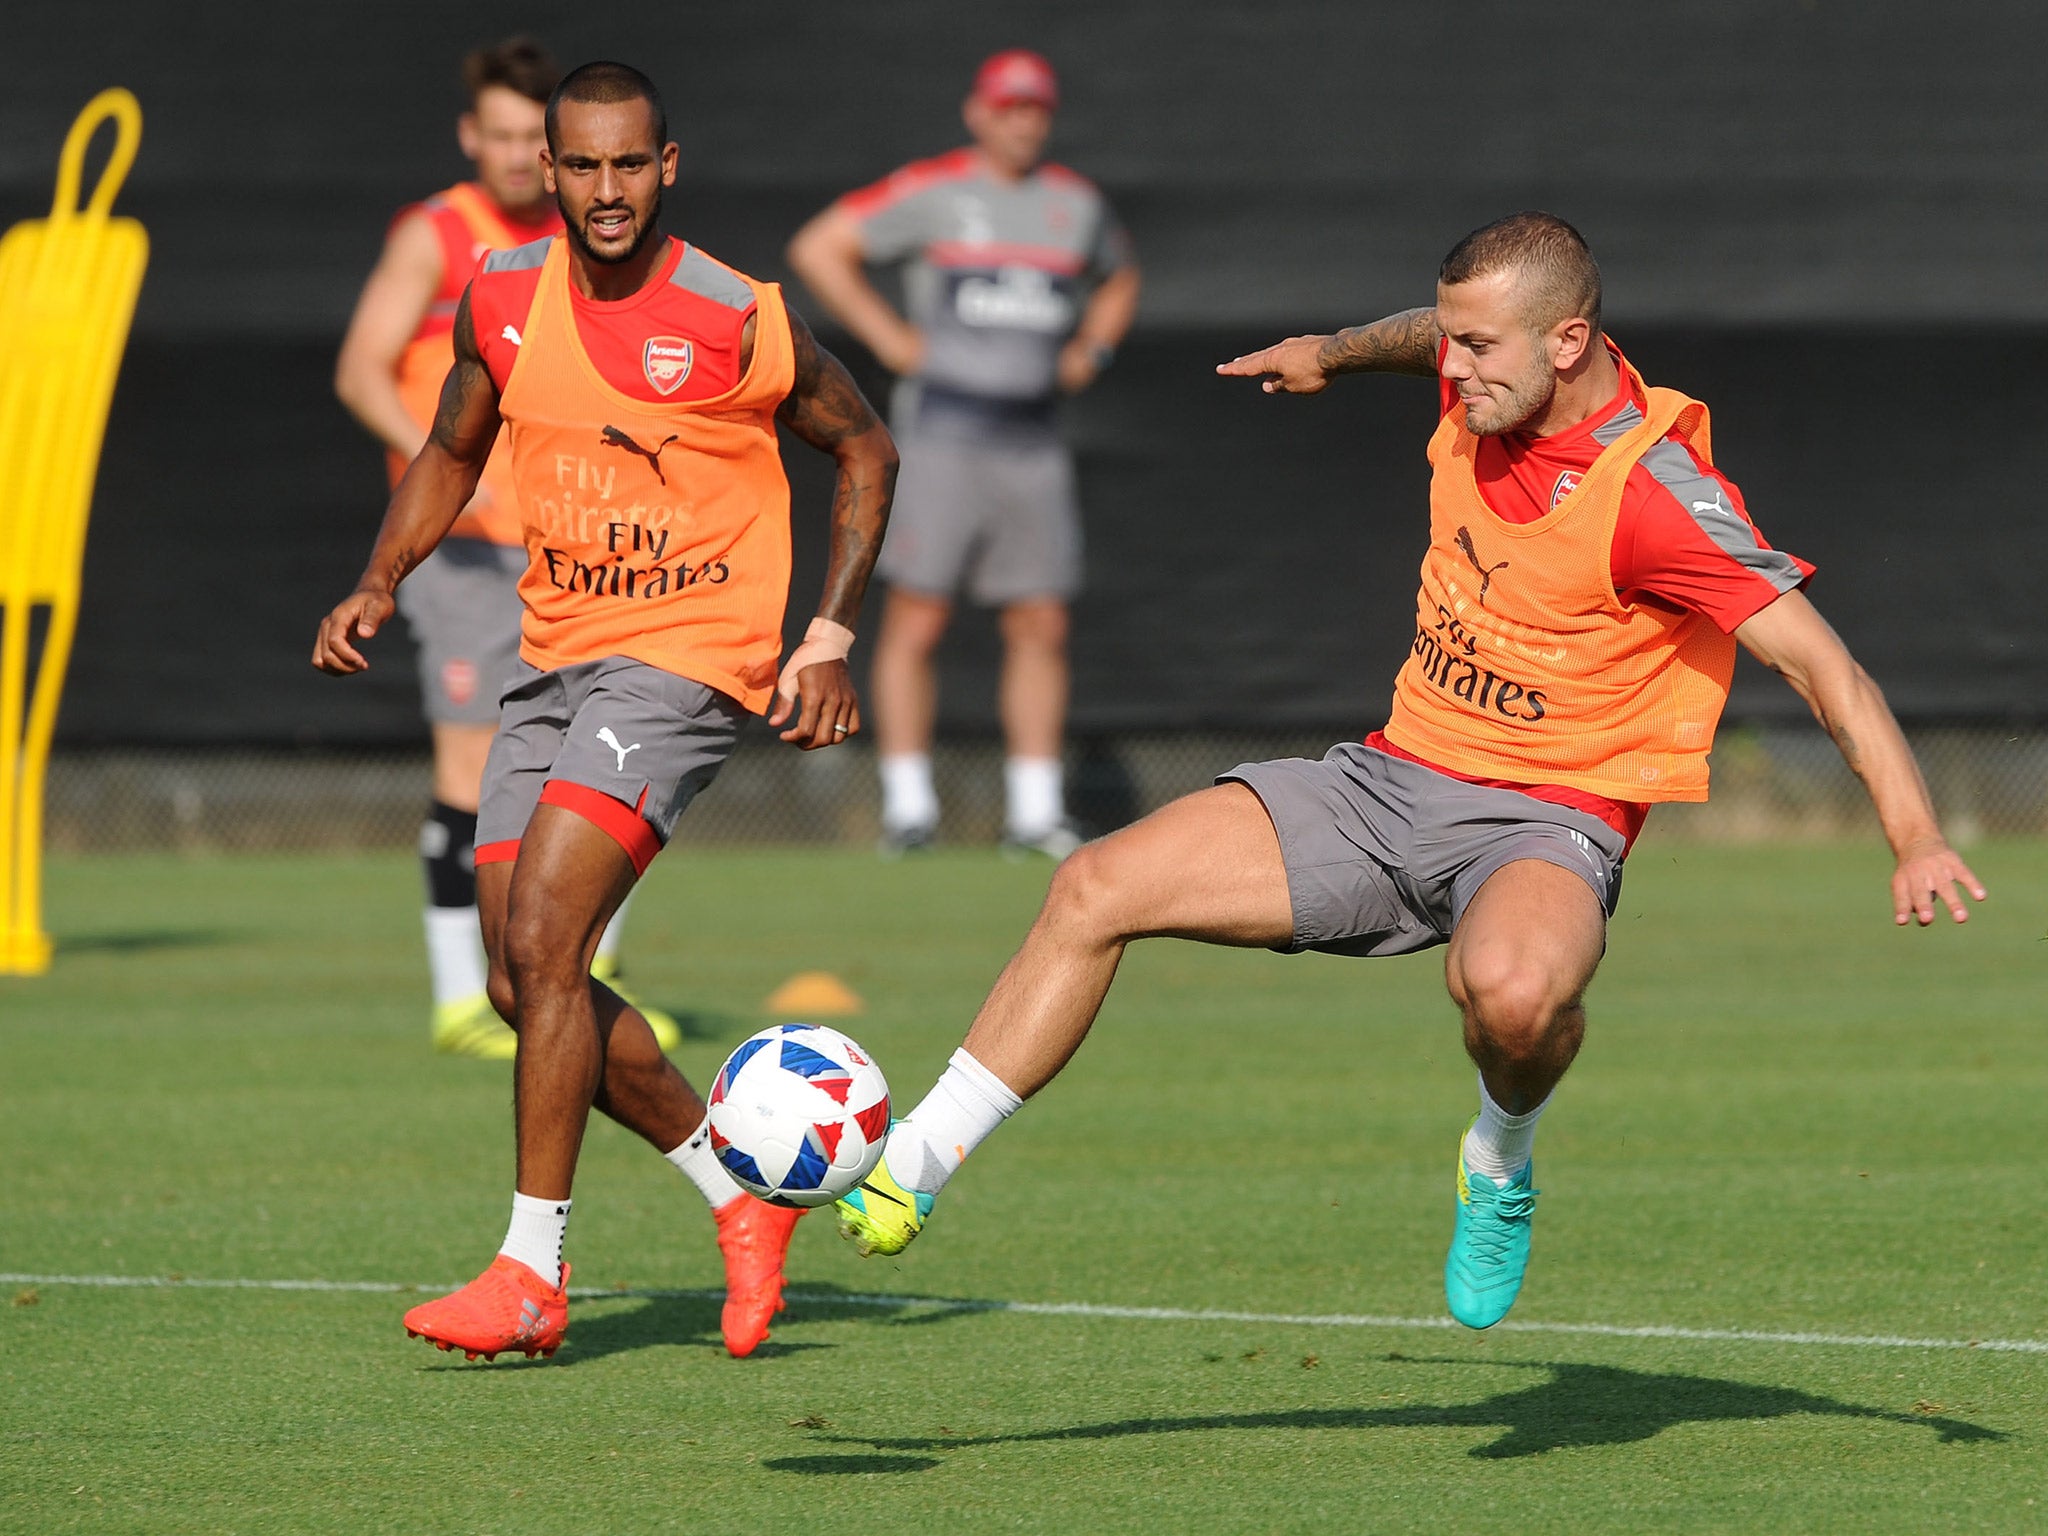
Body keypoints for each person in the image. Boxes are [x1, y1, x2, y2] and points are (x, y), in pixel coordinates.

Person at [831, 211, 1986, 1330]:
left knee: (1514, 1000)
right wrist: (1331, 354)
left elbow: (1827, 671)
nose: (1454, 365)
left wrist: (1914, 834)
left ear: (1568, 344)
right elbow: (1424, 336)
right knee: (1091, 887)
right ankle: (915, 1162)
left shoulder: (1654, 499)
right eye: (1452, 338)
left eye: (1477, 347)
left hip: (1546, 819)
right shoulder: (1488, 367)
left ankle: (1498, 1156)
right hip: (1387, 779)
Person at [313, 62, 897, 1360]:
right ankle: (737, 1196)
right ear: (549, 172)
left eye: (629, 164)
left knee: (546, 925)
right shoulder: (505, 294)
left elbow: (864, 444)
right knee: (528, 982)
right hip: (556, 653)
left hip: (688, 659)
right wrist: (376, 576)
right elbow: (455, 447)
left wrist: (830, 634)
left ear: (667, 166)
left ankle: (532, 1270)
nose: (605, 189)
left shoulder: (736, 314)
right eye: (582, 166)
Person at [335, 39, 675, 1059]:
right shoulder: (438, 236)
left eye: (541, 139)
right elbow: (361, 372)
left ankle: (585, 981)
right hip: (468, 549)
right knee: (474, 762)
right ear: (468, 137)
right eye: (504, 135)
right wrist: (461, 471)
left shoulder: (589, 248)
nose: (524, 156)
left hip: (577, 551)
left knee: (600, 763)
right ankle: (458, 996)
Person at [787, 48, 1140, 857]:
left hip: (1031, 440)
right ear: (979, 113)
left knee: (1041, 622)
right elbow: (820, 247)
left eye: (1035, 109)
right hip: (941, 436)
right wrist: (890, 339)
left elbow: (1119, 277)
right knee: (918, 615)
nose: (1023, 123)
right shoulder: (934, 190)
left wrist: (1094, 349)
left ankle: (1034, 812)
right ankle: (909, 807)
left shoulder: (1074, 207)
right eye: (1008, 108)